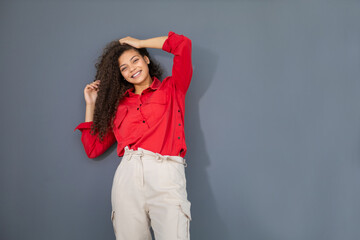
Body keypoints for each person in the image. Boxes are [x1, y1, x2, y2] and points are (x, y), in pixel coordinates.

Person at [74, 31, 193, 240]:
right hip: (128, 177)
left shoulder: (172, 89)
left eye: (135, 60)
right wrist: (91, 104)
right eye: (124, 68)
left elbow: (182, 44)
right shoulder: (119, 106)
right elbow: (93, 148)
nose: (132, 69)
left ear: (146, 59)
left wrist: (139, 43)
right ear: (121, 75)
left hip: (166, 172)